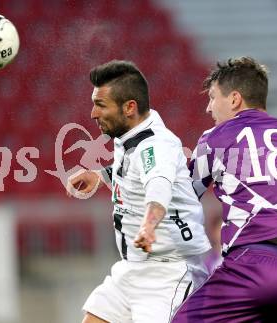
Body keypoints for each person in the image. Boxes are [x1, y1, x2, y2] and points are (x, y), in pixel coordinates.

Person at [171, 57, 277, 323]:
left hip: (250, 268)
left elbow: (180, 196)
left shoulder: (215, 137)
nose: (208, 107)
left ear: (235, 99)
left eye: (213, 97)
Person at [67, 60, 211, 323]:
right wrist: (101, 176)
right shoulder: (132, 136)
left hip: (166, 274)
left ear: (129, 107)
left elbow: (158, 186)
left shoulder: (156, 144)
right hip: (133, 268)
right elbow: (137, 173)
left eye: (100, 105)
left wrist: (148, 226)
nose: (92, 114)